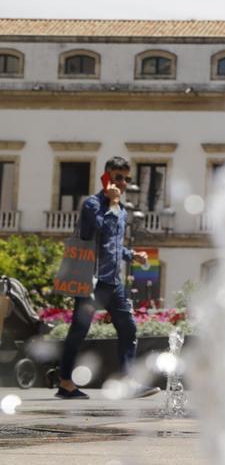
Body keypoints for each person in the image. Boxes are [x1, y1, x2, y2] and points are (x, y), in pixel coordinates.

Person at [55, 156, 160, 399]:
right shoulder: (92, 205)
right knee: (79, 331)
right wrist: (112, 204)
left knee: (128, 328)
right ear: (106, 178)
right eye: (118, 178)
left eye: (126, 179)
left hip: (113, 282)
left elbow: (113, 246)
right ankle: (65, 383)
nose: (123, 183)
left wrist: (133, 255)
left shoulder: (121, 211)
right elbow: (93, 233)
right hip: (90, 281)